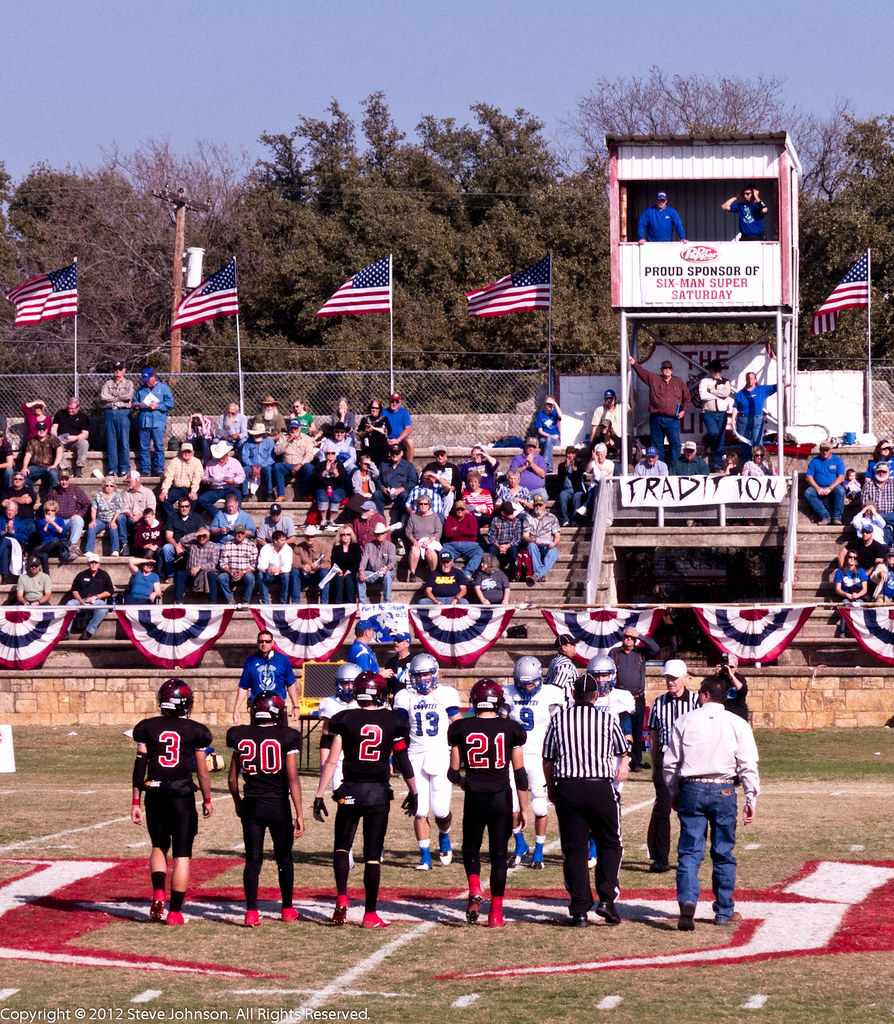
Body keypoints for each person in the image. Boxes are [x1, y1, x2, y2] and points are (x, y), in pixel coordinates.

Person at [312, 670, 418, 928]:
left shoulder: (344, 718)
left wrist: (319, 794)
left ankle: (342, 897)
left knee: (342, 846)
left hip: (349, 792)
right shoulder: (392, 720)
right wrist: (414, 791)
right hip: (377, 794)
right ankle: (370, 914)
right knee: (372, 855)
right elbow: (403, 760)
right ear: (380, 693)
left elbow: (331, 761)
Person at [663, 676, 760, 930]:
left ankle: (687, 901)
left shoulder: (685, 720)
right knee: (723, 852)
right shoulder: (737, 723)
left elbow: (670, 762)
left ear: (705, 694)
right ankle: (724, 911)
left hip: (692, 787)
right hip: (724, 788)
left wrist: (674, 791)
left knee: (690, 851)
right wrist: (752, 797)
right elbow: (748, 764)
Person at [543, 668, 630, 927]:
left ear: (572, 693)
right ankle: (606, 898)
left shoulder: (559, 720)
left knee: (574, 849)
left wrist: (551, 787)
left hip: (568, 787)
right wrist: (622, 762)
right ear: (596, 696)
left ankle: (579, 909)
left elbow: (548, 758)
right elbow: (622, 749)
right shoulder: (606, 719)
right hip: (599, 787)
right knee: (610, 843)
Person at [131, 679, 213, 926]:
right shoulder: (196, 730)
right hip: (182, 795)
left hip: (154, 793)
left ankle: (158, 892)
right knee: (182, 855)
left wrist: (136, 801)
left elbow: (139, 767)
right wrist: (207, 798)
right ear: (185, 703)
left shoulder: (146, 727)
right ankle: (175, 912)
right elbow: (202, 771)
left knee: (159, 846)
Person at [447, 678, 528, 927]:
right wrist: (523, 808)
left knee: (470, 848)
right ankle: (495, 914)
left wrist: (465, 782)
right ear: (499, 702)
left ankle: (474, 887)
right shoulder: (511, 728)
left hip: (474, 796)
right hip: (500, 797)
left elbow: (452, 773)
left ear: (474, 701)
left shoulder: (460, 728)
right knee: (499, 855)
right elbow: (520, 773)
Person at [227, 693, 304, 927]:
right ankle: (288, 909)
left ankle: (251, 912)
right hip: (278, 804)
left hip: (252, 803)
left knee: (253, 860)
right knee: (284, 859)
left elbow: (232, 779)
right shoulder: (287, 736)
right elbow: (292, 779)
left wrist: (238, 801)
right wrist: (299, 813)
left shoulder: (239, 735)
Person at [394, 653, 462, 871]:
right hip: (415, 755)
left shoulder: (446, 694)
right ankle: (425, 856)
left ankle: (444, 834)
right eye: (418, 675)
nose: (422, 679)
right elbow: (397, 728)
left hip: (441, 753)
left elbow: (458, 724)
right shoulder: (404, 696)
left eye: (426, 674)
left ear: (434, 673)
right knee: (420, 810)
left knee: (441, 811)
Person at [502, 656, 566, 870]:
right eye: (522, 683)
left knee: (539, 804)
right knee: (509, 804)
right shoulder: (508, 693)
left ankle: (539, 850)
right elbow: (501, 725)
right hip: (514, 755)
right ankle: (520, 843)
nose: (526, 687)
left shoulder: (551, 694)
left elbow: (559, 726)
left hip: (540, 756)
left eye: (530, 683)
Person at [646, 659, 700, 874]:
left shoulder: (696, 702)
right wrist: (654, 765)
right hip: (665, 762)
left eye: (674, 678)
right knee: (662, 808)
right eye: (668, 678)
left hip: (689, 763)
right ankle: (661, 857)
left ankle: (689, 856)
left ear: (684, 678)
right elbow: (653, 735)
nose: (670, 682)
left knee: (689, 810)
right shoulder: (659, 703)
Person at [609, 626, 659, 772]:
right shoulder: (615, 653)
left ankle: (636, 762)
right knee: (621, 729)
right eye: (626, 637)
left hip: (638, 697)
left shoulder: (641, 653)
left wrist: (640, 635)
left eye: (632, 638)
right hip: (620, 698)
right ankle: (621, 758)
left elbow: (656, 649)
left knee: (637, 730)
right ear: (622, 638)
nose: (629, 639)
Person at [629, 356, 690, 466]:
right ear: (661, 369)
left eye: (669, 368)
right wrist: (633, 363)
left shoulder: (679, 381)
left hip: (673, 419)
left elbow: (687, 397)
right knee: (657, 444)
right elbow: (642, 373)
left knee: (675, 444)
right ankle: (660, 468)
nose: (667, 369)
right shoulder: (654, 379)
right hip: (656, 418)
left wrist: (684, 410)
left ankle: (675, 467)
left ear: (672, 370)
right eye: (665, 368)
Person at [232, 630, 299, 724]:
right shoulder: (251, 661)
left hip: (277, 708)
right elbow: (243, 687)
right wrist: (236, 709)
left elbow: (291, 684)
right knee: (258, 737)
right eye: (261, 641)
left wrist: (296, 706)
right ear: (257, 643)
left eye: (267, 641)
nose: (264, 644)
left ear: (272, 643)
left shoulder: (283, 660)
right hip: (258, 709)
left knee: (281, 737)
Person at [316, 663, 361, 795]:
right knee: (341, 798)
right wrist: (324, 766)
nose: (349, 688)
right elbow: (326, 737)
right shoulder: (329, 704)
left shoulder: (364, 703)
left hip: (362, 757)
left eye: (352, 683)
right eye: (345, 684)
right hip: (339, 758)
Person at [731, 372, 778, 466]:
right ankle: (748, 466)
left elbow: (776, 387)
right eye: (748, 378)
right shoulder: (741, 393)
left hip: (757, 420)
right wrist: (733, 419)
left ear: (756, 380)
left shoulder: (762, 390)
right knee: (745, 444)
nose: (750, 380)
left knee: (758, 444)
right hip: (743, 420)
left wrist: (786, 384)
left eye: (752, 378)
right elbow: (736, 406)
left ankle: (760, 467)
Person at [133, 368, 174, 476]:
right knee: (144, 446)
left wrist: (158, 406)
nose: (146, 382)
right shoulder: (141, 390)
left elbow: (170, 403)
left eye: (148, 379)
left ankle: (159, 469)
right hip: (144, 422)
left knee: (159, 445)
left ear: (154, 376)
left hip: (158, 422)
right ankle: (145, 469)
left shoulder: (164, 388)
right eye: (144, 380)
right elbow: (135, 401)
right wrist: (136, 405)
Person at [65, 552, 114, 640]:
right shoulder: (81, 575)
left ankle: (88, 632)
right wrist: (81, 601)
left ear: (99, 564)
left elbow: (109, 591)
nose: (93, 564)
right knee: (70, 604)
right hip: (81, 600)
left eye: (95, 562)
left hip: (97, 602)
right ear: (88, 563)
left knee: (103, 610)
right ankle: (65, 631)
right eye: (91, 562)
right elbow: (74, 591)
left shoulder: (104, 575)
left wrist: (96, 597)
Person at [697, 360, 734, 471]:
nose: (717, 372)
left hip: (722, 413)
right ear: (711, 370)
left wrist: (711, 391)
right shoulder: (704, 381)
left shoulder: (726, 381)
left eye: (718, 370)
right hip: (709, 412)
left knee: (721, 439)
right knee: (714, 433)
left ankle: (717, 464)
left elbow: (726, 393)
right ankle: (708, 443)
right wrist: (719, 394)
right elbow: (703, 396)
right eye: (714, 370)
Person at [157, 497, 205, 581]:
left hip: (193, 545)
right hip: (176, 544)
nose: (184, 508)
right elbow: (168, 536)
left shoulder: (197, 517)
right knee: (166, 548)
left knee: (198, 548)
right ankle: (170, 575)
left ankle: (192, 576)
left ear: (190, 506)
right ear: (178, 507)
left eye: (186, 506)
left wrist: (184, 542)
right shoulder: (172, 517)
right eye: (182, 506)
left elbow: (202, 533)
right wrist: (176, 546)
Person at [100, 360, 134, 477]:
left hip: (123, 413)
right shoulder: (108, 383)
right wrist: (119, 398)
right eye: (115, 369)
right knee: (111, 442)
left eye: (120, 369)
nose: (117, 371)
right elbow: (103, 396)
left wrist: (113, 397)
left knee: (124, 442)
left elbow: (128, 396)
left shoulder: (129, 383)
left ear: (124, 370)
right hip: (109, 413)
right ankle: (112, 469)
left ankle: (125, 468)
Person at [172, 525, 221, 605]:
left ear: (208, 536)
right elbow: (182, 541)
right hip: (191, 573)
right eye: (199, 536)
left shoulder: (214, 546)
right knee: (179, 574)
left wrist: (199, 567)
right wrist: (196, 534)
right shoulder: (192, 544)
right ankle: (179, 602)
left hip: (205, 573)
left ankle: (212, 603)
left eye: (204, 536)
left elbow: (213, 564)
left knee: (211, 574)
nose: (201, 538)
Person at [199, 440, 246, 516]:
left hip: (230, 488)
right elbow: (205, 476)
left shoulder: (234, 462)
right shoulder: (210, 463)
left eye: (222, 457)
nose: (220, 459)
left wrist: (233, 480)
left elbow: (242, 476)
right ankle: (218, 516)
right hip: (215, 489)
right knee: (202, 500)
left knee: (237, 495)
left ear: (226, 454)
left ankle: (237, 517)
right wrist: (207, 481)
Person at [521, 495, 561, 583]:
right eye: (536, 505)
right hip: (535, 545)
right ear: (533, 506)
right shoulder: (528, 518)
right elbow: (525, 536)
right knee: (531, 545)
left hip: (547, 546)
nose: (538, 507)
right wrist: (534, 540)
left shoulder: (552, 517)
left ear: (544, 505)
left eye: (540, 505)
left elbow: (557, 536)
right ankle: (540, 574)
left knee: (554, 551)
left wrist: (553, 544)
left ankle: (538, 574)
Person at [804, 442, 846, 526]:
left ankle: (836, 518)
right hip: (818, 488)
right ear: (820, 450)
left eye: (827, 450)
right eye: (823, 450)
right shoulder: (814, 461)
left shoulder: (838, 460)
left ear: (830, 449)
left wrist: (829, 488)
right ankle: (825, 517)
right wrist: (817, 488)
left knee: (841, 490)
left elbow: (841, 477)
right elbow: (809, 477)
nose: (825, 452)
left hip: (833, 488)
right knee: (808, 493)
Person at [159, 443, 203, 521]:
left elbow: (197, 478)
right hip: (177, 489)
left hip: (190, 488)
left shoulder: (197, 462)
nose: (186, 453)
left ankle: (189, 520)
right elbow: (169, 477)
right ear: (181, 452)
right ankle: (175, 520)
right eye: (184, 451)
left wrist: (193, 491)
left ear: (192, 452)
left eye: (188, 451)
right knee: (165, 500)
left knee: (194, 501)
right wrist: (164, 491)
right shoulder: (175, 461)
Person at [375, 443, 418, 521]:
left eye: (397, 453)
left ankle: (399, 520)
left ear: (401, 453)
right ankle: (380, 520)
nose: (394, 455)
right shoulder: (383, 464)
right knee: (376, 495)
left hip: (400, 492)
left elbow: (413, 482)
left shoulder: (408, 466)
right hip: (387, 492)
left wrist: (401, 489)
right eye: (392, 453)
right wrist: (382, 488)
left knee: (405, 495)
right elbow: (378, 479)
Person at [118, 471, 157, 556]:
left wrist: (140, 515)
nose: (127, 483)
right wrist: (129, 514)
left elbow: (151, 509)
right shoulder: (127, 493)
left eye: (129, 481)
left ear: (136, 480)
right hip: (130, 518)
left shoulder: (148, 492)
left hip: (143, 519)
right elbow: (123, 507)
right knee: (120, 518)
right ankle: (124, 544)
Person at [405, 494, 443, 580]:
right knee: (414, 549)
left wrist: (429, 541)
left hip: (431, 541)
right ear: (417, 505)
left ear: (429, 505)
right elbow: (408, 532)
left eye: (425, 504)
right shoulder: (413, 517)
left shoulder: (435, 517)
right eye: (421, 504)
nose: (423, 506)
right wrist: (415, 542)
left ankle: (433, 573)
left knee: (430, 551)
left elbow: (438, 532)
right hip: (418, 541)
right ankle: (412, 573)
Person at [311, 445, 348, 532]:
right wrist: (325, 471)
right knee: (323, 497)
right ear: (325, 454)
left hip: (337, 488)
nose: (330, 455)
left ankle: (331, 520)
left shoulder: (340, 465)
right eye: (328, 453)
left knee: (335, 497)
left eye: (332, 453)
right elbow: (316, 481)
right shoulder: (320, 465)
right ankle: (323, 519)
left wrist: (336, 473)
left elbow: (342, 481)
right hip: (322, 488)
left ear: (335, 455)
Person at [51, 396, 90, 476]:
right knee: (55, 444)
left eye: (72, 409)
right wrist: (56, 437)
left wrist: (76, 437)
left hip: (75, 441)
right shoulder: (60, 414)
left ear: (78, 408)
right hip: (61, 440)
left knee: (84, 443)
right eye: (69, 408)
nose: (70, 410)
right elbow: (54, 428)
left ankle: (79, 467)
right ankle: (66, 468)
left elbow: (85, 434)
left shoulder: (83, 416)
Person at [218, 524, 257, 604]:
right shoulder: (226, 545)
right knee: (221, 578)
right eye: (237, 533)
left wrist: (243, 572)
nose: (239, 535)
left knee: (250, 578)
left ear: (245, 534)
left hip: (245, 573)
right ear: (233, 534)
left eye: (242, 533)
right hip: (230, 573)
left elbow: (254, 564)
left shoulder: (251, 546)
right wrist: (230, 572)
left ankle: (245, 600)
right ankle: (229, 599)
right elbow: (223, 563)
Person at [358, 522, 397, 603]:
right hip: (374, 573)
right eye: (378, 534)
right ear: (375, 535)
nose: (380, 536)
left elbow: (392, 561)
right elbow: (364, 559)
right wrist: (361, 570)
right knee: (359, 575)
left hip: (386, 572)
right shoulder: (368, 546)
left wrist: (387, 568)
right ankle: (362, 602)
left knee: (388, 575)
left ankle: (387, 602)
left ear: (385, 534)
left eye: (382, 533)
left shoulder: (391, 546)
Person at [833, 549, 869, 637]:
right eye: (850, 557)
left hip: (859, 597)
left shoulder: (861, 571)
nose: (852, 559)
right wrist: (847, 595)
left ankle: (859, 632)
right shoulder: (840, 571)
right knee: (845, 605)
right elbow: (837, 589)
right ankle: (842, 632)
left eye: (855, 557)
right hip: (846, 596)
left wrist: (857, 595)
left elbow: (865, 589)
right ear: (846, 558)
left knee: (860, 607)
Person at [85, 476, 123, 556]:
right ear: (103, 486)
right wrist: (93, 520)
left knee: (113, 528)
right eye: (107, 485)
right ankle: (89, 550)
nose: (109, 487)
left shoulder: (117, 496)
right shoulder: (98, 495)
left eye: (111, 486)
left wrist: (113, 521)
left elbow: (118, 509)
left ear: (114, 487)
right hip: (100, 520)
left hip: (111, 519)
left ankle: (115, 550)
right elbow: (94, 508)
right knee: (92, 527)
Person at [21, 420, 63, 492]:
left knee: (53, 474)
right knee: (23, 475)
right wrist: (24, 467)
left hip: (49, 466)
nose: (41, 431)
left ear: (46, 430)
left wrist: (55, 465)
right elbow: (28, 455)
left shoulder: (52, 439)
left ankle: (51, 497)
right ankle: (32, 496)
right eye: (39, 429)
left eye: (43, 429)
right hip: (35, 467)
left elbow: (60, 450)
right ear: (36, 430)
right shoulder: (31, 441)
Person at [441, 500, 483, 572]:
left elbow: (472, 532)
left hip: (470, 545)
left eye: (462, 509)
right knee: (443, 553)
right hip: (452, 545)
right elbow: (447, 534)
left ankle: (467, 572)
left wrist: (456, 529)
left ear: (465, 510)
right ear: (454, 510)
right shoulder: (449, 519)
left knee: (479, 552)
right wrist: (464, 531)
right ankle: (453, 572)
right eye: (458, 509)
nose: (460, 511)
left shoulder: (471, 518)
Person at [256, 530, 295, 605]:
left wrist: (279, 569)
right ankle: (265, 602)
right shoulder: (266, 548)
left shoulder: (288, 549)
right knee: (260, 575)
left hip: (281, 574)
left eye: (285, 540)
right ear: (275, 541)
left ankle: (284, 602)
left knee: (287, 575)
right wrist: (267, 569)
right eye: (282, 540)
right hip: (269, 574)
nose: (284, 542)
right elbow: (261, 565)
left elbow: (288, 566)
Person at [294, 525, 330, 603]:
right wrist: (302, 566)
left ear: (315, 537)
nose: (309, 538)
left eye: (312, 536)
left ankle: (324, 603)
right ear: (304, 536)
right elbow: (294, 563)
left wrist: (318, 566)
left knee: (325, 572)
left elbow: (327, 564)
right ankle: (295, 602)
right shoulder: (298, 547)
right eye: (307, 536)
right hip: (304, 575)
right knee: (294, 572)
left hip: (317, 575)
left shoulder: (322, 547)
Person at [488, 500, 524, 578]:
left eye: (512, 512)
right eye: (509, 513)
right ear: (503, 513)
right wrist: (499, 546)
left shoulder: (516, 521)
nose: (512, 515)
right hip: (498, 544)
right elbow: (491, 536)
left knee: (514, 550)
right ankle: (492, 572)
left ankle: (513, 573)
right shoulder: (495, 520)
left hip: (510, 544)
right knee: (491, 549)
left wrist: (508, 545)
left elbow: (517, 538)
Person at [860, 462, 894, 544]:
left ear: (888, 473)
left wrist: (880, 518)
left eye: (884, 472)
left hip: (890, 515)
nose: (881, 473)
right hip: (873, 517)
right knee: (885, 528)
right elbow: (864, 505)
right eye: (879, 472)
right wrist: (876, 516)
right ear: (876, 472)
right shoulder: (868, 486)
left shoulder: (893, 485)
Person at [589, 389, 628, 459]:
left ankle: (627, 465)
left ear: (615, 399)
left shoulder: (621, 407)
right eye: (607, 399)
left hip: (618, 437)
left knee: (628, 440)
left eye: (611, 398)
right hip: (605, 437)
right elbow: (594, 428)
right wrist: (591, 444)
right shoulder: (600, 410)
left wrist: (630, 388)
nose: (609, 400)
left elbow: (632, 402)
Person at [240, 425, 275, 501]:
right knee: (244, 470)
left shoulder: (270, 442)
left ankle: (269, 493)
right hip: (251, 465)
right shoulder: (247, 442)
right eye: (255, 434)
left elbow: (271, 458)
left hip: (265, 465)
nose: (257, 435)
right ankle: (245, 494)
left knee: (268, 471)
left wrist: (260, 467)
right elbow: (244, 456)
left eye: (259, 434)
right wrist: (252, 466)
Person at [32, 500, 68, 572]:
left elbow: (63, 532)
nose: (50, 512)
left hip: (56, 547)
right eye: (48, 510)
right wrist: (47, 523)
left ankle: (35, 552)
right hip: (46, 546)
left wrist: (53, 522)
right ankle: (47, 577)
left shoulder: (59, 520)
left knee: (55, 541)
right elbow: (42, 534)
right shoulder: (42, 521)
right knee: (44, 555)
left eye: (52, 510)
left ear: (55, 511)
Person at [423, 448, 462, 515]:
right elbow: (423, 477)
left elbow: (458, 481)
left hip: (447, 490)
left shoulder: (452, 467)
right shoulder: (430, 466)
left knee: (450, 495)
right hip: (434, 490)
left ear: (445, 455)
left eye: (442, 455)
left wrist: (454, 487)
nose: (440, 457)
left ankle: (445, 516)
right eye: (437, 455)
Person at [330, 525, 362, 604]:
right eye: (343, 534)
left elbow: (358, 561)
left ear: (351, 536)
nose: (345, 536)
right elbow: (333, 561)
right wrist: (338, 570)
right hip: (339, 570)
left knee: (348, 578)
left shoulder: (355, 546)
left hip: (352, 570)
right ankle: (338, 603)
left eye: (348, 534)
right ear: (339, 536)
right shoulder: (336, 547)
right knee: (339, 578)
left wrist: (350, 570)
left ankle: (350, 603)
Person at [544, 633, 579, 705]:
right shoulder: (565, 664)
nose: (575, 646)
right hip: (564, 705)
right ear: (564, 647)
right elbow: (557, 688)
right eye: (572, 644)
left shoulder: (555, 660)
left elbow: (546, 683)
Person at [714, 653, 749, 720]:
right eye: (727, 666)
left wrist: (731, 676)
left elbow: (743, 691)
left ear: (736, 667)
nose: (729, 669)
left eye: (731, 667)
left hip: (738, 714)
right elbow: (711, 691)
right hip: (722, 715)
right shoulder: (718, 678)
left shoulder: (739, 678)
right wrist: (717, 675)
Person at [356, 400, 391, 465]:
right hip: (368, 448)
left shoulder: (384, 419)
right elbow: (359, 435)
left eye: (377, 408)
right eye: (372, 408)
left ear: (380, 409)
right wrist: (365, 432)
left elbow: (387, 431)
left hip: (381, 448)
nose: (374, 410)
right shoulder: (365, 419)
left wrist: (373, 428)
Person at [535, 396, 562, 473]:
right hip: (543, 439)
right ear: (544, 404)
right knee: (548, 440)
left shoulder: (554, 413)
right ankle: (549, 467)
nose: (549, 406)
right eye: (548, 404)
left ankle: (544, 463)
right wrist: (550, 436)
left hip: (555, 439)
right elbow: (540, 431)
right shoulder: (540, 415)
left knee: (549, 440)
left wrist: (555, 404)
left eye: (551, 404)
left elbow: (560, 415)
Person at [385, 392, 414, 460]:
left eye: (396, 401)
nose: (394, 403)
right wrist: (386, 439)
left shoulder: (404, 412)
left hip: (400, 440)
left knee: (410, 442)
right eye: (392, 401)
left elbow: (407, 429)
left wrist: (398, 440)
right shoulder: (383, 412)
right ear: (389, 402)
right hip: (387, 439)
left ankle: (408, 467)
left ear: (400, 403)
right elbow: (380, 428)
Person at [384, 632, 414, 698]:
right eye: (395, 640)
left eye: (399, 641)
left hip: (411, 697)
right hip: (395, 699)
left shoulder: (414, 660)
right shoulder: (390, 662)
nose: (395, 643)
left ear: (407, 644)